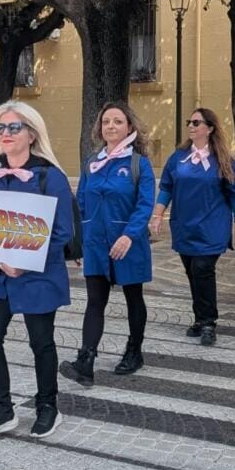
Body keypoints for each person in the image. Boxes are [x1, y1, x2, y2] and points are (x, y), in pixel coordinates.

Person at [0, 101, 74, 442]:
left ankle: (48, 406)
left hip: (37, 276)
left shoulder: (50, 176)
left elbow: (63, 232)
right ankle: (1, 409)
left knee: (41, 342)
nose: (5, 134)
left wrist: (25, 261)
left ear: (31, 133)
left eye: (14, 127)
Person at [66, 102, 156, 384]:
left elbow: (144, 205)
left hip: (128, 243)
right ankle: (86, 360)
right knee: (95, 301)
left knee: (133, 298)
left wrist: (129, 235)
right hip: (95, 243)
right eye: (106, 122)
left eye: (118, 122)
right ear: (100, 128)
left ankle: (134, 351)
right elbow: (81, 202)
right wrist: (78, 242)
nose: (111, 127)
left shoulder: (138, 164)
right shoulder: (91, 163)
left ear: (129, 127)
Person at [149, 108, 235, 345]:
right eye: (189, 122)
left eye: (196, 122)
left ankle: (209, 322)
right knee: (192, 273)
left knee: (203, 270)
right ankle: (200, 318)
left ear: (210, 128)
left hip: (212, 226)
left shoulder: (223, 159)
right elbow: (167, 188)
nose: (191, 126)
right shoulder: (179, 157)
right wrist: (157, 215)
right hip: (185, 226)